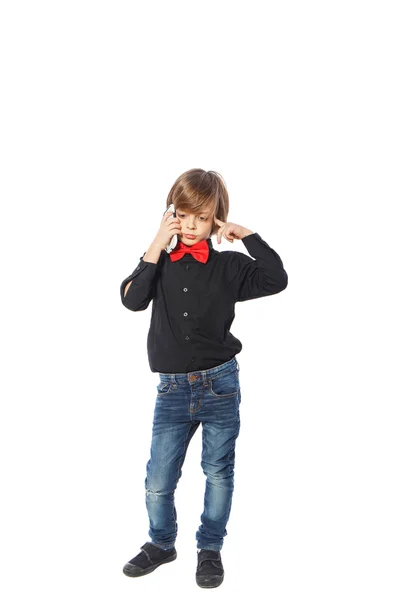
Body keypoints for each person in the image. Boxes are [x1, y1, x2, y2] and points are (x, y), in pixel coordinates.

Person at [119, 168, 288, 588]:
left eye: (203, 216)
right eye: (184, 214)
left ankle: (210, 549)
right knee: (159, 477)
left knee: (218, 471)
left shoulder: (231, 266)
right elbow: (131, 299)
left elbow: (276, 278)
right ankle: (161, 543)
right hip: (172, 390)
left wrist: (247, 235)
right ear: (170, 213)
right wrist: (156, 244)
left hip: (220, 384)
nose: (192, 224)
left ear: (216, 219)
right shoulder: (157, 264)